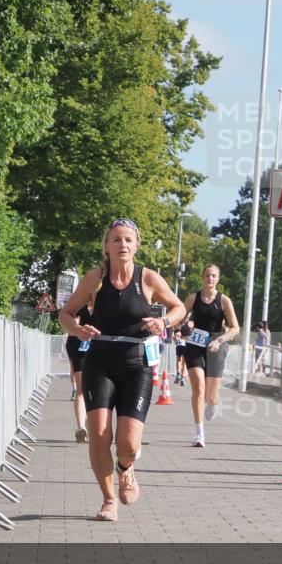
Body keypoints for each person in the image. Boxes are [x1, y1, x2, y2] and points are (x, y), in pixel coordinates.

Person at [59, 218, 185, 522]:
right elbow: (64, 313)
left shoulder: (149, 279)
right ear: (107, 245)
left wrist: (163, 322)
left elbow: (179, 307)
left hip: (136, 366)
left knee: (128, 444)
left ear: (137, 245)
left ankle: (126, 469)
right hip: (99, 363)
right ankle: (108, 499)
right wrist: (77, 328)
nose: (122, 245)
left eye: (128, 240)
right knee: (99, 433)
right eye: (116, 239)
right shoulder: (94, 278)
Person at [182, 264, 240, 447]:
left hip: (216, 345)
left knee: (210, 396)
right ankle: (199, 433)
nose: (210, 278)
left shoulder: (224, 301)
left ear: (218, 279)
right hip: (196, 345)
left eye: (214, 276)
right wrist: (181, 328)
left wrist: (220, 340)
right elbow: (181, 317)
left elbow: (235, 329)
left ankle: (214, 403)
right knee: (198, 387)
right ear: (202, 277)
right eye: (207, 275)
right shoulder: (193, 298)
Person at [62, 296, 95, 443]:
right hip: (80, 348)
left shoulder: (107, 306)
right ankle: (82, 426)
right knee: (82, 390)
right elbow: (71, 329)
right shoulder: (78, 307)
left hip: (100, 350)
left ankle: (86, 425)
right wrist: (78, 327)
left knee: (90, 390)